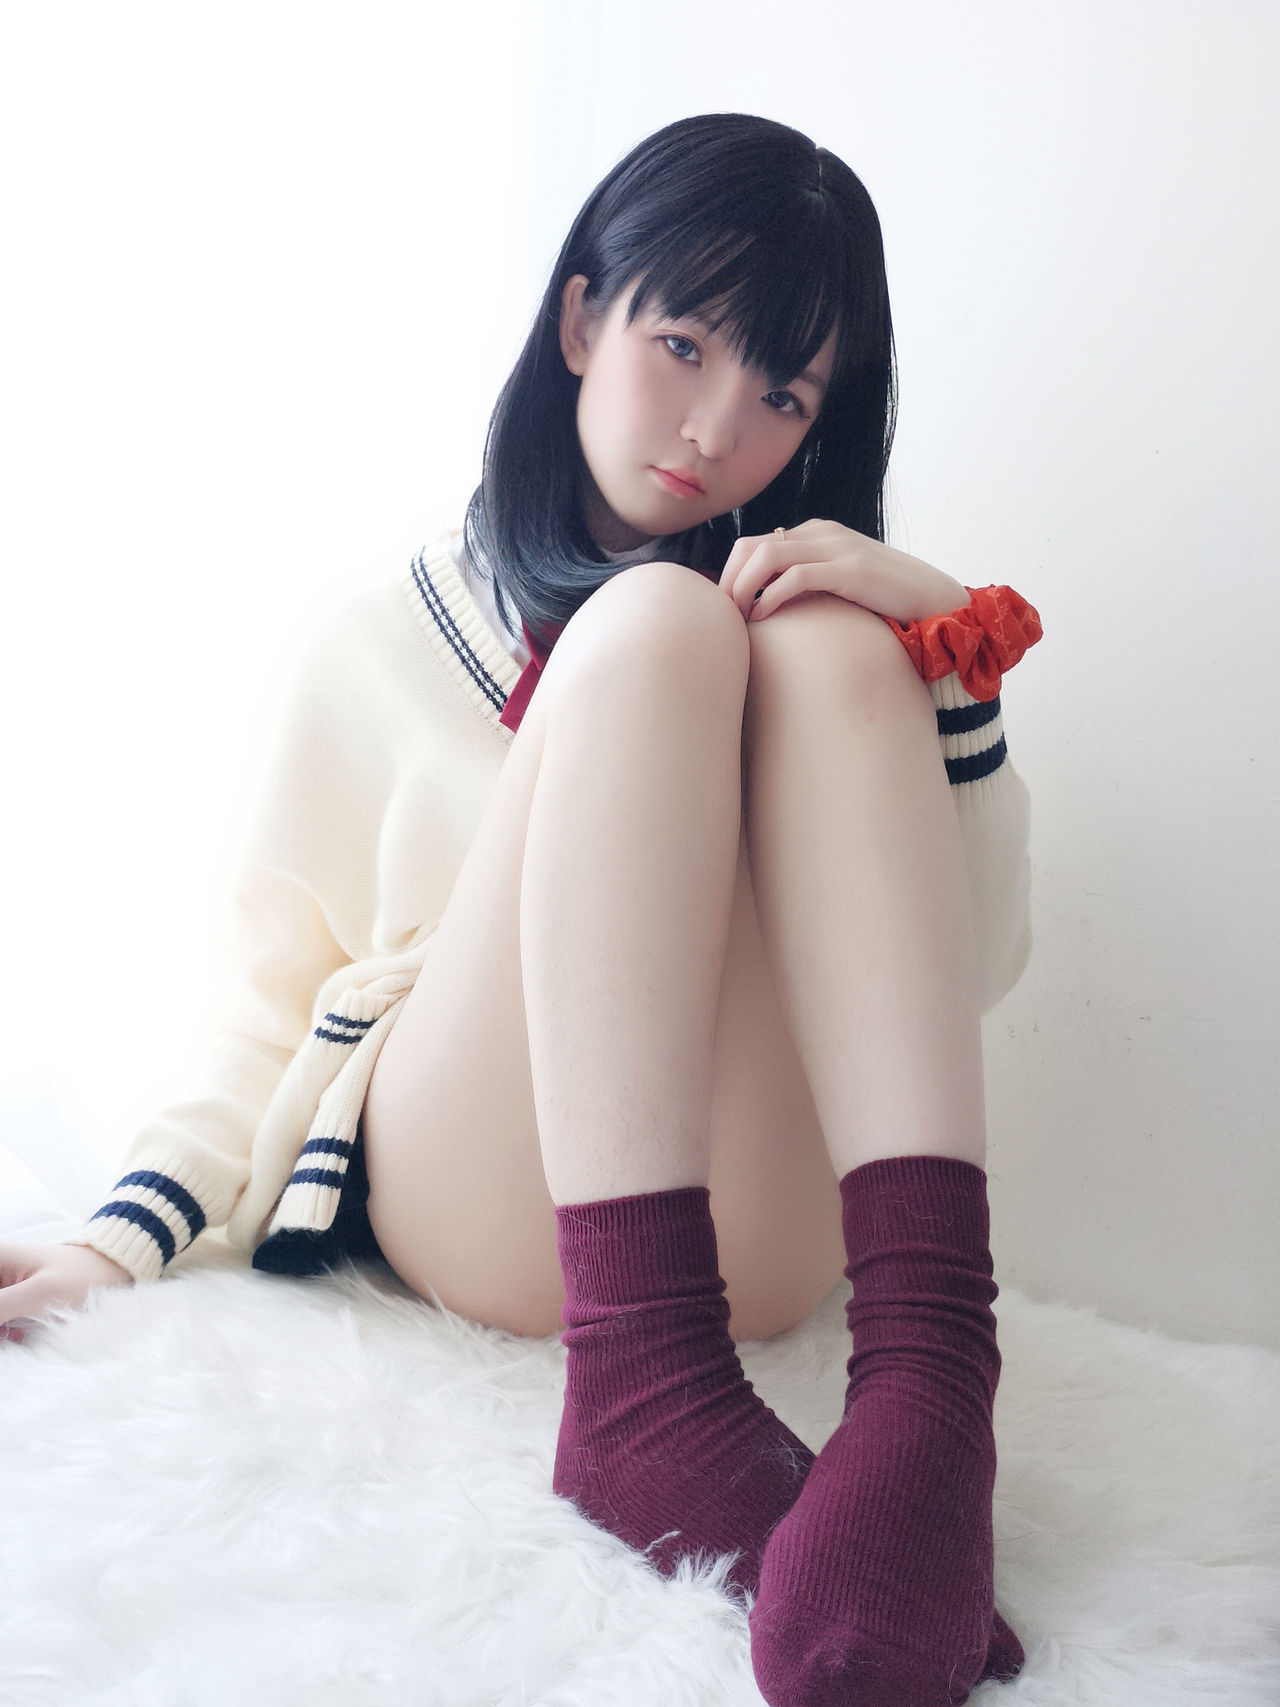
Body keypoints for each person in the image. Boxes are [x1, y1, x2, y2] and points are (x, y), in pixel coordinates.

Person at [0, 113, 1041, 1705]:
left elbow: (975, 968)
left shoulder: (818, 645)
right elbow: (265, 999)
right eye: (681, 345)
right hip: (489, 1198)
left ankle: (929, 1390)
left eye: (783, 396)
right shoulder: (379, 640)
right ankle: (641, 1372)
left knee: (829, 635)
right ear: (580, 320)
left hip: (765, 1236)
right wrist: (118, 1237)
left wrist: (942, 658)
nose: (715, 429)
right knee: (657, 627)